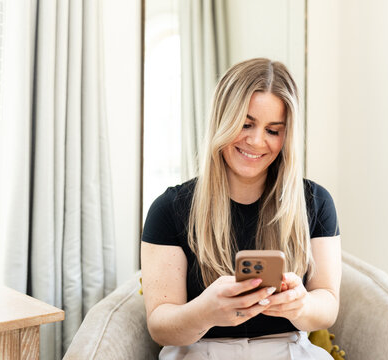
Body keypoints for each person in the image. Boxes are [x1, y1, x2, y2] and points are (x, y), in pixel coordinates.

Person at [141, 58, 341, 360]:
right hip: (200, 351)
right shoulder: (169, 209)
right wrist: (205, 312)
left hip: (287, 349)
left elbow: (328, 303)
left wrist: (302, 305)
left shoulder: (315, 201)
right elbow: (160, 326)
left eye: (273, 130)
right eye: (246, 124)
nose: (257, 141)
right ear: (222, 120)